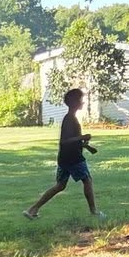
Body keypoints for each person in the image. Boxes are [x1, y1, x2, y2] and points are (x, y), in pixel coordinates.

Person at [25, 87, 100, 220]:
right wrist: (82, 137)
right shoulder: (69, 119)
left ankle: (33, 209)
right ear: (74, 102)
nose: (83, 102)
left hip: (64, 158)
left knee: (60, 186)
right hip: (73, 159)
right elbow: (65, 141)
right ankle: (94, 211)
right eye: (81, 99)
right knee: (87, 180)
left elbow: (71, 141)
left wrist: (86, 146)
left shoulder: (72, 118)